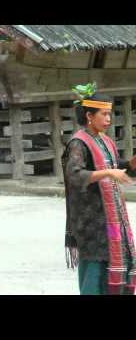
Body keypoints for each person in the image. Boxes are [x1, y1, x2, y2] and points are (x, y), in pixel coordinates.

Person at [63, 82, 136, 295]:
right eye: (103, 114)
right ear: (89, 116)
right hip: (90, 222)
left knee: (113, 265)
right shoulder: (78, 142)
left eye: (109, 114)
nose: (108, 119)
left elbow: (118, 168)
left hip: (110, 219)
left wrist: (131, 164)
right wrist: (108, 173)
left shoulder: (105, 141)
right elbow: (74, 175)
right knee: (94, 273)